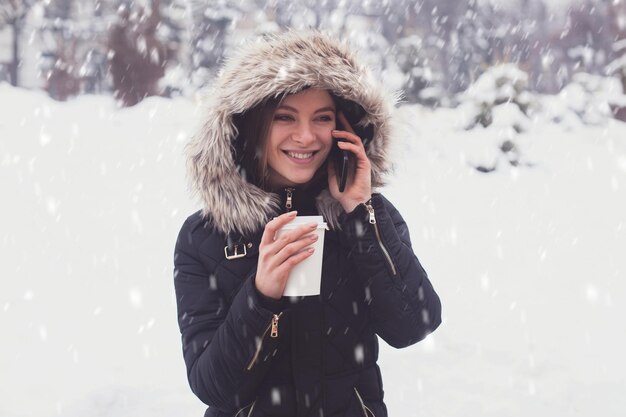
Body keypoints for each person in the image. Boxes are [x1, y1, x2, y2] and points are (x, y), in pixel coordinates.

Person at [173, 31, 442, 417]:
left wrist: (361, 218)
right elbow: (214, 385)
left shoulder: (366, 216)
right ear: (251, 125)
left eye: (323, 118)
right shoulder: (207, 237)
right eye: (285, 117)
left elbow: (415, 325)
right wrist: (261, 296)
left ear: (344, 131)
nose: (305, 136)